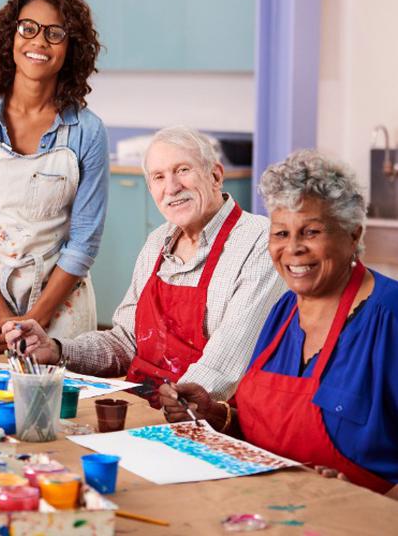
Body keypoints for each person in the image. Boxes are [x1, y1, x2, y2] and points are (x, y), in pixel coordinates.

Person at [160, 151, 398, 497]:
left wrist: (370, 500)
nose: (293, 248)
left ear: (352, 236)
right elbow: (273, 428)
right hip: (270, 507)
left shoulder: (388, 315)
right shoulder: (283, 311)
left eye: (311, 231)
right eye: (281, 233)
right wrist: (216, 415)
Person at [5, 126, 286, 403]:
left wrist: (166, 408)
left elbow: (222, 368)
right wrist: (56, 349)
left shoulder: (259, 242)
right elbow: (125, 342)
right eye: (159, 177)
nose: (172, 188)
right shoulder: (157, 241)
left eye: (183, 170)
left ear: (215, 175)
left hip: (206, 416)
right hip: (144, 403)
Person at [0, 0, 109, 355]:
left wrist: (38, 317)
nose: (39, 42)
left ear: (72, 47)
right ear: (10, 35)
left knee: (60, 411)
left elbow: (84, 241)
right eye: (28, 27)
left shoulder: (88, 131)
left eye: (56, 33)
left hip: (59, 304)